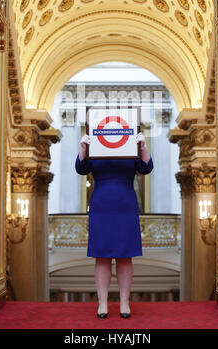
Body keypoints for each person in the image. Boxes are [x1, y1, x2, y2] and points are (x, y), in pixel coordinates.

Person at [75, 132, 153, 319]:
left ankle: (124, 302)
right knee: (101, 256)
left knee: (125, 256)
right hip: (101, 204)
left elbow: (146, 168)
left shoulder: (130, 142)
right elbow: (81, 168)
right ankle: (102, 303)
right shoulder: (95, 142)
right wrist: (84, 148)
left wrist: (142, 147)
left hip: (125, 204)